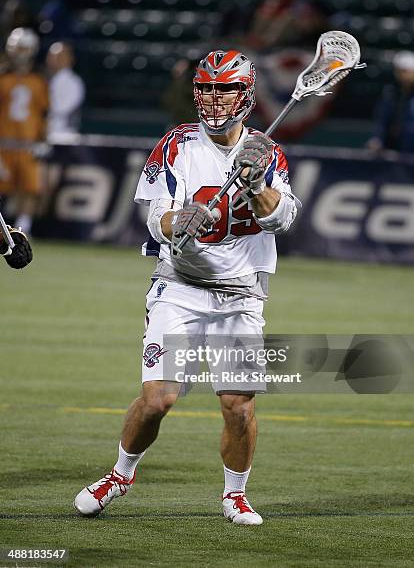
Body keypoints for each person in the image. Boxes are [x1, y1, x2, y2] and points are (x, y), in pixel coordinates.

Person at [74, 50, 298, 525]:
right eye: (208, 88)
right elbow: (156, 218)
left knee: (238, 405)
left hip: (240, 293)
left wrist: (257, 184)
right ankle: (121, 473)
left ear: (246, 93)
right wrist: (182, 221)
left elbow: (282, 218)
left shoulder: (266, 151)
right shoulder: (175, 144)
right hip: (179, 286)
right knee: (159, 399)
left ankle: (234, 495)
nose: (215, 99)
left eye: (227, 89)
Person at [0, 27, 48, 235]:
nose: (20, 53)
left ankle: (23, 230)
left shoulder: (38, 80)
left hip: (28, 143)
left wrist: (43, 140)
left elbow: (44, 112)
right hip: (3, 142)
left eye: (24, 49)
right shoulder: (2, 77)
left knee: (29, 189)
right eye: (17, 48)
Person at [367, 51, 414, 155]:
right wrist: (377, 139)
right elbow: (382, 121)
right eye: (400, 71)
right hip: (395, 148)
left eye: (407, 71)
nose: (403, 76)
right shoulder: (391, 93)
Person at [46, 42, 85, 136]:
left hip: (64, 134)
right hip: (45, 133)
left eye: (60, 57)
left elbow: (60, 109)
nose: (54, 60)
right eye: (52, 56)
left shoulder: (74, 82)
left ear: (70, 59)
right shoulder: (44, 79)